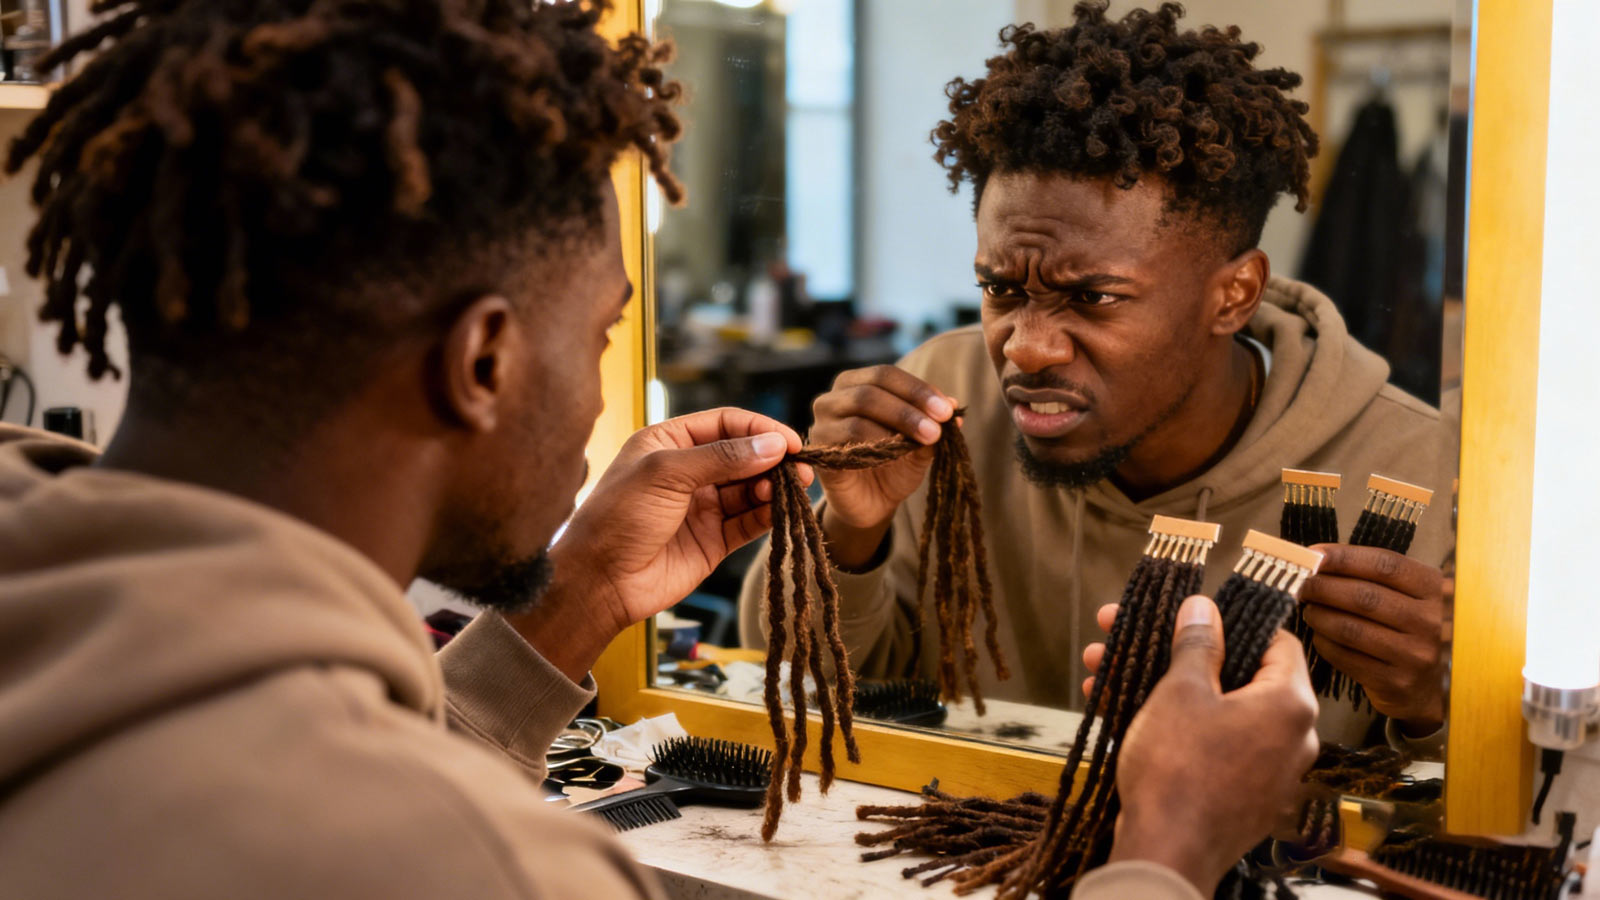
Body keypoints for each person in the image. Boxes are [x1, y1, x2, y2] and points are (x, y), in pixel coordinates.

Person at [0, 1, 1315, 898]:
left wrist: (568, 609)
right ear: (482, 362)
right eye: (605, 332)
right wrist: (1165, 852)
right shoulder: (485, 868)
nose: (595, 403)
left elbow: (285, 763)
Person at [739, 2, 1454, 751]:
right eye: (1002, 290)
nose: (1028, 349)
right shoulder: (942, 397)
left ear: (1233, 295)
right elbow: (795, 687)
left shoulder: (1419, 471)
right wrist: (852, 529)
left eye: (1094, 297)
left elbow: (1501, 815)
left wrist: (1425, 706)